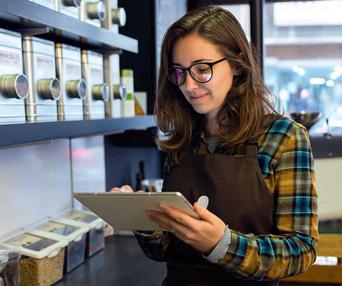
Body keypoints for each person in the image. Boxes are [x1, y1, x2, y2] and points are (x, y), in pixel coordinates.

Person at [113, 6, 318, 286]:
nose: (189, 86)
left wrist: (222, 245)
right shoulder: (182, 140)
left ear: (236, 64)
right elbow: (165, 251)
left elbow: (301, 250)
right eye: (179, 73)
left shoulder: (283, 137)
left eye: (202, 69)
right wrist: (143, 220)